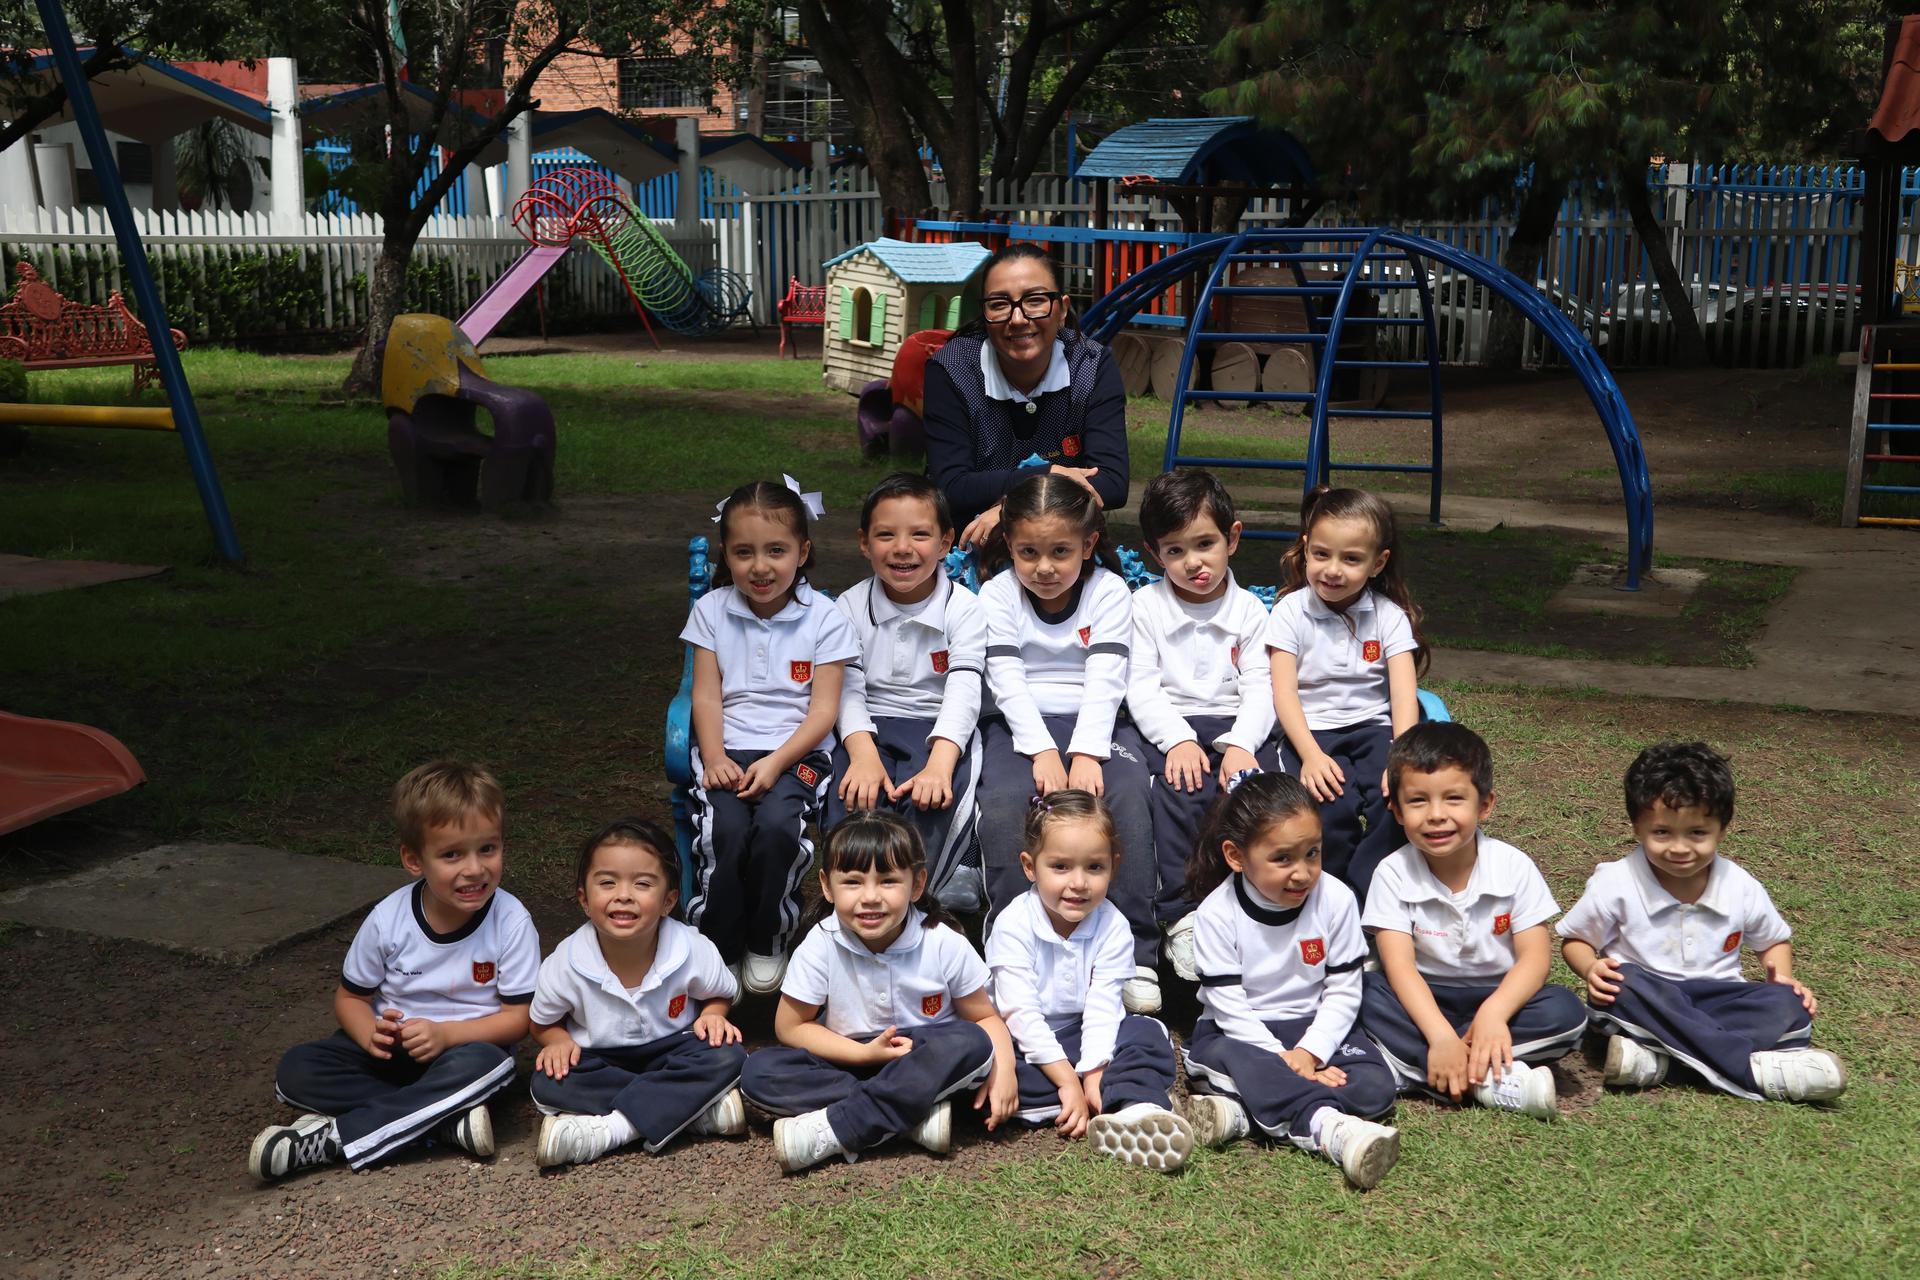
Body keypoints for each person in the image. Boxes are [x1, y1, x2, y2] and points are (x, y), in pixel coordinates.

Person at [249, 762, 538, 1182]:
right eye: (452, 854)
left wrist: (446, 1036)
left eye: (488, 849)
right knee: (297, 1069)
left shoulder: (510, 921)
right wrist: (369, 1032)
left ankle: (335, 1139)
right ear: (413, 859)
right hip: (389, 1056)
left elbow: (519, 1019)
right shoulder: (388, 919)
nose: (474, 868)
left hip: (463, 1052)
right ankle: (440, 1121)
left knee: (489, 1066)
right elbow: (351, 999)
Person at [1557, 742, 1847, 1103]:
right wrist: (1591, 968)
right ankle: (1748, 1072)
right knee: (1624, 983)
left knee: (1791, 1005)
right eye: (1662, 833)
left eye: (1697, 833)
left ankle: (1661, 1065)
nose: (1680, 848)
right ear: (1637, 828)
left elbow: (1773, 941)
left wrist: (1783, 977)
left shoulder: (1739, 885)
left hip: (1717, 1000)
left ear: (1722, 830)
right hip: (1648, 1001)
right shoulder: (1616, 882)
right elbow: (1576, 940)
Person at [974, 471, 1161, 1011]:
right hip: (1018, 724)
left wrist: (1085, 752)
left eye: (1060, 551)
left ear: (1088, 544)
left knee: (1127, 794)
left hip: (1097, 723)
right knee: (1007, 800)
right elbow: (1006, 681)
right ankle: (1013, 951)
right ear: (1009, 545)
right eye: (1028, 552)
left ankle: (1135, 954)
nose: (1045, 567)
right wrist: (1042, 751)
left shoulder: (1109, 591)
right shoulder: (997, 594)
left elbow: (1106, 678)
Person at [740, 811, 1019, 1172]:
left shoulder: (942, 941)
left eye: (888, 881)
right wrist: (863, 1054)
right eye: (852, 882)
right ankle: (913, 1118)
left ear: (917, 884)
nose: (870, 897)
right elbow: (790, 1027)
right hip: (849, 1059)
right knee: (760, 1070)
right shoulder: (820, 944)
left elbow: (984, 1019)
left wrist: (1006, 1070)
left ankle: (841, 1126)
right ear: (827, 886)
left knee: (973, 1042)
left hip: (924, 1060)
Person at [681, 478, 861, 995]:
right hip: (728, 748)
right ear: (726, 555)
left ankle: (767, 938)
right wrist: (715, 755)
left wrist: (778, 761)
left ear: (802, 552)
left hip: (798, 753)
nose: (760, 567)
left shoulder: (825, 618)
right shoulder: (711, 611)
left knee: (779, 828)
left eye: (776, 551)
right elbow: (706, 697)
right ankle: (717, 945)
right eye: (744, 552)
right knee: (725, 831)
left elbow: (823, 711)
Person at [1179, 772, 1402, 1189]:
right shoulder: (1216, 913)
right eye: (1283, 859)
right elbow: (1229, 1008)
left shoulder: (1337, 899)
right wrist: (1282, 1058)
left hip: (1314, 1027)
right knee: (1247, 1065)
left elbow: (1344, 990)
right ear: (1236, 856)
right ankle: (1332, 1130)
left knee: (1376, 1087)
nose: (1302, 873)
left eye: (1312, 853)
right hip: (1239, 1036)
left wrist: (1311, 1053)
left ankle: (1244, 1116)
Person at [1358, 724, 1586, 1121]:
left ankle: (1413, 1069)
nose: (1436, 815)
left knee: (1567, 1012)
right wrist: (1440, 1035)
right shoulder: (1392, 873)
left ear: (1485, 805)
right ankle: (1488, 1080)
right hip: (1423, 1002)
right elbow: (1400, 967)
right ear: (1396, 810)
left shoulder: (1513, 866)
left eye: (1454, 798)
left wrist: (1494, 1014)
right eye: (1418, 801)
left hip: (1500, 998)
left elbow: (1534, 958)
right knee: (1362, 992)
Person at [986, 790, 1193, 1171]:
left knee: (1147, 1032)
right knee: (993, 1067)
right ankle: (1106, 1096)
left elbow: (1103, 1007)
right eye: (1060, 867)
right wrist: (1068, 1080)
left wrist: (1093, 1074)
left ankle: (1137, 1110)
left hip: (1084, 1035)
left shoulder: (1113, 925)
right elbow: (1020, 1014)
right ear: (1030, 867)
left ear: (1114, 866)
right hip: (1023, 1042)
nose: (1079, 883)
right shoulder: (1013, 924)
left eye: (1094, 867)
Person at [1127, 469, 1278, 988]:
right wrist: (1178, 740)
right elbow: (1140, 686)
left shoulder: (1251, 612)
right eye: (1175, 550)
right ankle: (1181, 915)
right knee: (1178, 791)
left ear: (1232, 538)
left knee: (1258, 796)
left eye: (1205, 544)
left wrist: (1241, 744)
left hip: (1239, 728)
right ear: (1154, 554)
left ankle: (1261, 907)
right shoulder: (1144, 608)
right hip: (1171, 727)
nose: (1193, 562)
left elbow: (1262, 686)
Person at [528, 819, 748, 1167]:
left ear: (668, 900)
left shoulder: (690, 948)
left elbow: (719, 994)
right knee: (548, 1081)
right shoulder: (566, 962)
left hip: (674, 1050)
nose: (624, 895)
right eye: (607, 882)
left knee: (727, 1055)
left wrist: (713, 1015)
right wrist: (556, 1041)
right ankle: (691, 1109)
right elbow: (541, 1022)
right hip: (602, 1059)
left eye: (642, 884)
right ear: (584, 899)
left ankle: (612, 1130)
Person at [827, 473, 986, 910]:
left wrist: (940, 763)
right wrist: (863, 754)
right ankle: (855, 902)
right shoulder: (848, 607)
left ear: (946, 541)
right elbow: (846, 688)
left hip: (938, 726)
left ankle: (921, 902)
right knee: (853, 794)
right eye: (886, 535)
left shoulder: (965, 609)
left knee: (935, 797)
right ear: (864, 542)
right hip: (867, 727)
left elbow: (964, 688)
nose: (902, 548)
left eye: (920, 534)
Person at [1265, 486, 1425, 898]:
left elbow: (1403, 694)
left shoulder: (1389, 617)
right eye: (1321, 554)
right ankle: (1331, 898)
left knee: (1396, 799)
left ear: (1378, 563)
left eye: (1351, 559)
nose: (1333, 570)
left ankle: (1372, 898)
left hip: (1372, 728)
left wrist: (1402, 757)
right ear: (1306, 549)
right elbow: (1284, 694)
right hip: (1312, 731)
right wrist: (1311, 755)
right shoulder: (1289, 612)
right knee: (1328, 806)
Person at [922, 243, 1128, 552]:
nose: (1017, 318)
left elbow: (1112, 483)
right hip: (970, 551)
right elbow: (949, 486)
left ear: (1061, 310)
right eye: (999, 304)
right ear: (984, 313)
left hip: (1064, 553)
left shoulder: (1092, 366)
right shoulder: (951, 370)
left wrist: (1012, 507)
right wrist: (1049, 473)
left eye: (1035, 300)